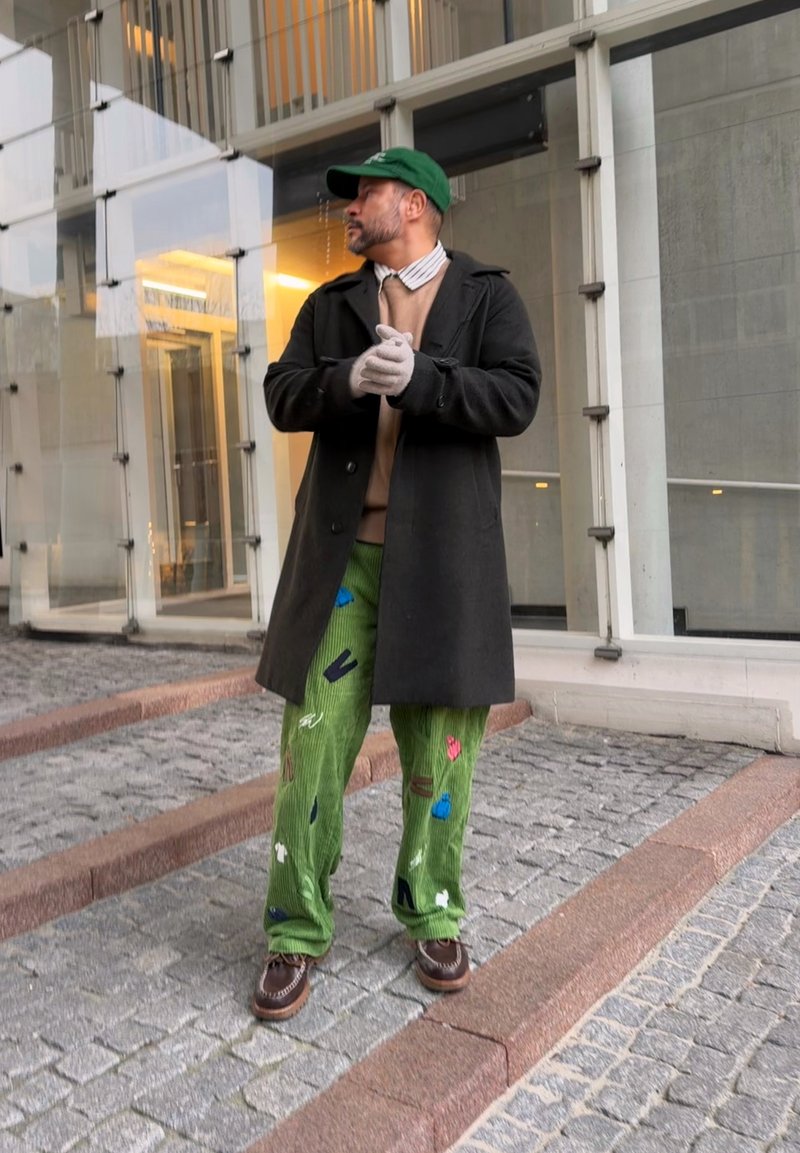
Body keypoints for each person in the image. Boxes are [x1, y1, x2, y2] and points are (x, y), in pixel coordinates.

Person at [251, 146, 541, 1020]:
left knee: (440, 756)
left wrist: (426, 381)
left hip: (443, 566)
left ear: (413, 203)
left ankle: (432, 908)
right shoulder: (330, 303)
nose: (347, 208)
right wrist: (347, 379)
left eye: (363, 194)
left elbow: (518, 397)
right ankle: (294, 929)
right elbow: (281, 394)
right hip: (342, 563)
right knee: (312, 752)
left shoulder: (487, 293)